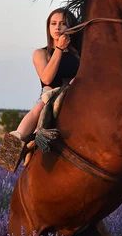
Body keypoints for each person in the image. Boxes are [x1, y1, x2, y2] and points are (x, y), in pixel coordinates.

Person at [10, 8, 80, 144]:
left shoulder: (78, 55)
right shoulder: (41, 53)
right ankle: (15, 142)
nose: (57, 27)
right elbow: (47, 78)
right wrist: (59, 49)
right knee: (39, 107)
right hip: (49, 95)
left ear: (70, 27)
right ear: (48, 27)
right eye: (53, 23)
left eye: (62, 23)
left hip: (73, 95)